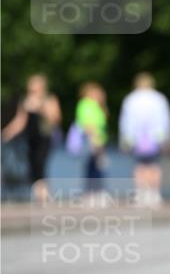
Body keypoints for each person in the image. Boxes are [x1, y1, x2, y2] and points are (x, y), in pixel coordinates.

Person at [1, 73, 62, 203]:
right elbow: (20, 121)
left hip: (45, 139)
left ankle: (43, 197)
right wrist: (7, 132)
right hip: (30, 140)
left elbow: (56, 119)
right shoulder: (26, 101)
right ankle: (42, 195)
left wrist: (40, 107)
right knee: (32, 167)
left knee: (40, 165)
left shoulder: (49, 99)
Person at [119, 73, 170, 207]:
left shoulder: (131, 99)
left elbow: (126, 122)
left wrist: (125, 139)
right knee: (154, 166)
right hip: (156, 138)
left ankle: (141, 194)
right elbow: (165, 120)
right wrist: (169, 139)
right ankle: (154, 194)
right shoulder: (159, 98)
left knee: (140, 166)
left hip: (137, 138)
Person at [75, 82, 109, 201]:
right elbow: (87, 124)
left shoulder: (97, 105)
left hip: (98, 140)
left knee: (96, 167)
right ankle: (92, 193)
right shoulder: (86, 104)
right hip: (91, 141)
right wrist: (95, 139)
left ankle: (95, 193)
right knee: (93, 167)